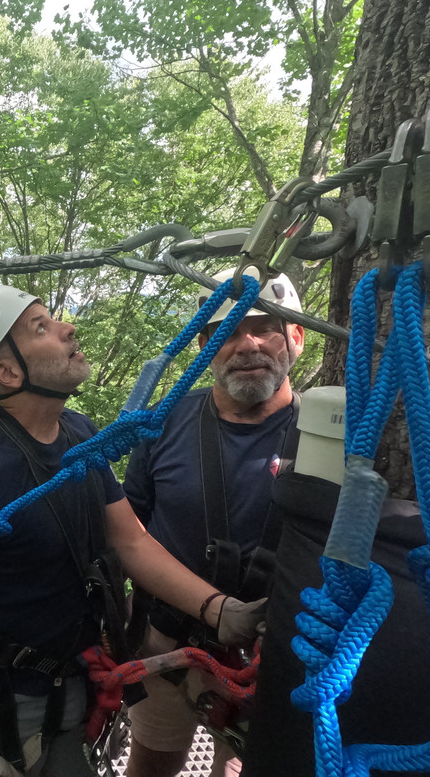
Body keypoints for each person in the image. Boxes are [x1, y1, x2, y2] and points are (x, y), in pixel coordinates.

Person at [0, 284, 266, 777]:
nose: (68, 327)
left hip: (76, 679)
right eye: (41, 327)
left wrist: (219, 609)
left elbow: (131, 541)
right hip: (9, 701)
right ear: (7, 372)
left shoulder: (78, 434)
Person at [121, 270, 305, 777]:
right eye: (227, 331)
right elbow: (125, 530)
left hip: (272, 656)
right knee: (152, 764)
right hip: (168, 641)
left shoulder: (327, 437)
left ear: (297, 337)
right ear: (204, 346)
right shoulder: (162, 423)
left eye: (266, 327)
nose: (247, 344)